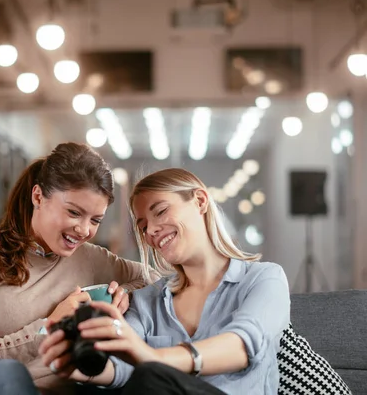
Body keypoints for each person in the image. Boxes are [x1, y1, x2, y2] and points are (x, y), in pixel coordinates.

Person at [40, 168, 291, 395]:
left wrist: (152, 357)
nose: (150, 231)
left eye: (160, 211)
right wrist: (76, 367)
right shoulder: (147, 300)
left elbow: (242, 346)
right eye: (143, 226)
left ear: (200, 201)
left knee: (150, 374)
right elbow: (120, 368)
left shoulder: (264, 279)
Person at [0, 143, 153, 395]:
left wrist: (124, 292)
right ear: (38, 197)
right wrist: (51, 325)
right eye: (73, 212)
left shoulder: (92, 259)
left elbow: (157, 280)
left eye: (95, 220)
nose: (84, 230)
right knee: (10, 374)